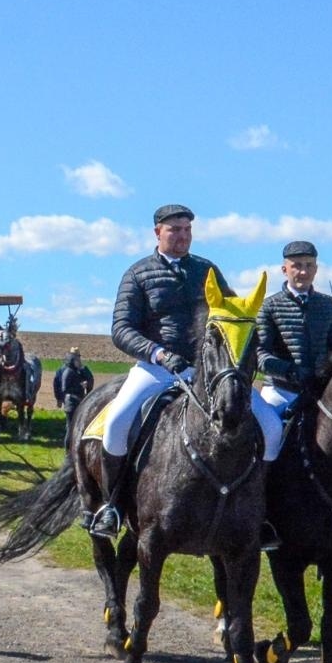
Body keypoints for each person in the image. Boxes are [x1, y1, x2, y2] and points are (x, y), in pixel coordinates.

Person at [91, 204, 232, 539]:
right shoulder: (138, 273)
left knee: (256, 422)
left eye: (187, 230)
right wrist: (158, 353)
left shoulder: (208, 271)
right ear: (158, 232)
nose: (182, 236)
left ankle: (257, 510)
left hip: (205, 371)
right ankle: (111, 506)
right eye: (175, 230)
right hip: (156, 368)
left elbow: (229, 314)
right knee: (116, 423)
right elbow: (122, 329)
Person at [254, 241, 332, 464]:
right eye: (297, 265)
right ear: (284, 269)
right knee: (269, 435)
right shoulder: (269, 306)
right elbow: (260, 353)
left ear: (316, 269)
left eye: (309, 265)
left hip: (320, 392)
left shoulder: (329, 306)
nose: (303, 271)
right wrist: (290, 372)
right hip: (280, 390)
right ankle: (263, 486)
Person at [53, 347, 95, 417]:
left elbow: (90, 380)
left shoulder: (78, 369)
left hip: (73, 398)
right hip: (72, 398)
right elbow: (57, 384)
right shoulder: (71, 370)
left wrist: (58, 399)